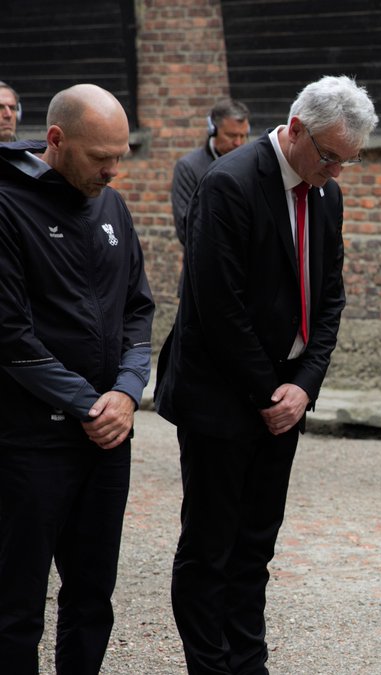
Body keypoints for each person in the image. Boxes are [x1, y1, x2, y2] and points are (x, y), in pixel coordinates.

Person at [155, 76, 377, 673]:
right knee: (210, 545)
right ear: (296, 129)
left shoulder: (327, 192)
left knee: (256, 543)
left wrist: (303, 386)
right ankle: (210, 663)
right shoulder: (227, 184)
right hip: (222, 392)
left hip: (285, 393)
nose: (334, 172)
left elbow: (330, 300)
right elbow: (217, 305)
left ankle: (248, 660)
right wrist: (266, 392)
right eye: (329, 156)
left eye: (346, 162)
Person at [0, 84, 155, 674]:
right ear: (57, 140)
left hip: (106, 442)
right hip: (29, 442)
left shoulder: (111, 204)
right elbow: (10, 336)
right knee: (15, 605)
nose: (113, 171)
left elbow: (138, 308)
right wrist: (92, 406)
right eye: (100, 158)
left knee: (92, 597)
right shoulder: (8, 207)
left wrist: (127, 389)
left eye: (121, 156)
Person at [170, 98, 251, 293]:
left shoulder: (251, 165)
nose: (238, 143)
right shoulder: (188, 167)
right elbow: (186, 229)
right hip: (203, 279)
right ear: (212, 130)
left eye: (243, 136)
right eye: (231, 135)